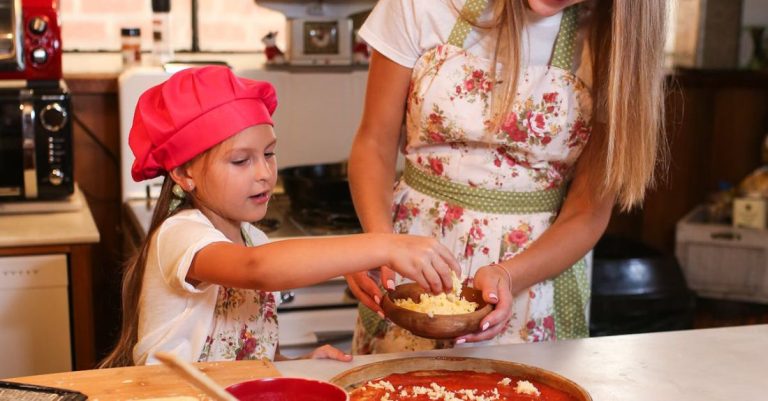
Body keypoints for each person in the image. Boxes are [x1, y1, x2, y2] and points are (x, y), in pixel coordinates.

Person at [346, 0, 668, 353]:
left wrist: (511, 275)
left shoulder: (614, 38)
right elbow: (374, 143)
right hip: (409, 257)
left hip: (534, 280)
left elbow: (587, 210)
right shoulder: (421, 5)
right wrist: (379, 243)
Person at [99, 66, 461, 367]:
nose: (264, 174)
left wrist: (297, 363)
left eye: (269, 154)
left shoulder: (253, 238)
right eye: (241, 161)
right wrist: (383, 246)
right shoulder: (180, 234)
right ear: (183, 174)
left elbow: (252, 354)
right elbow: (258, 268)